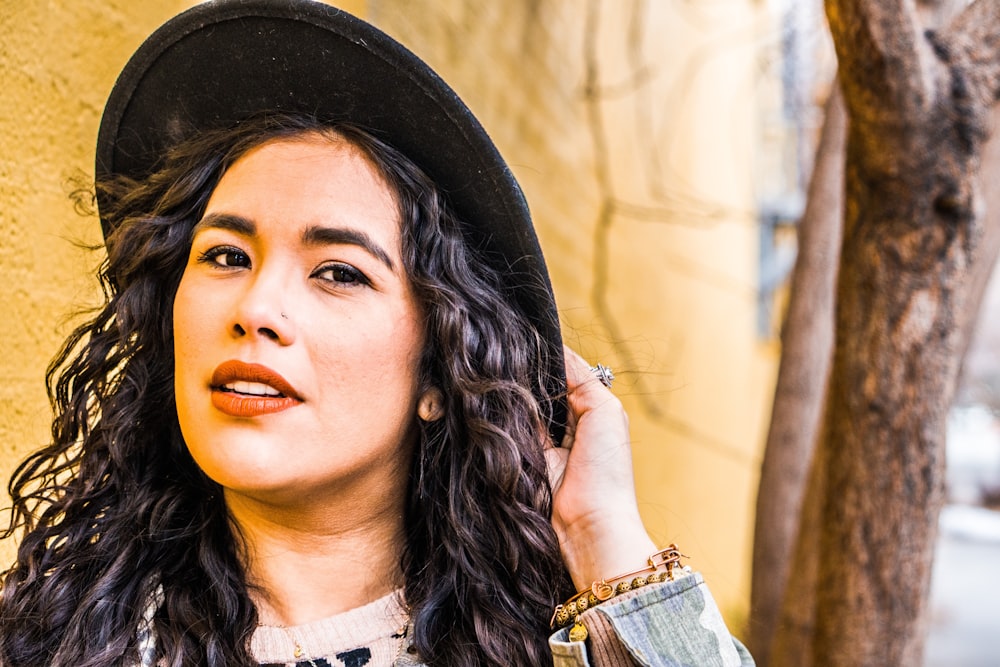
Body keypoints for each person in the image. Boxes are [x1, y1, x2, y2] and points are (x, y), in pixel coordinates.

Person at [0, 2, 754, 666]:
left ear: (438, 371)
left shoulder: (546, 647)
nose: (256, 306)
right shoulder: (50, 641)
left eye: (338, 272)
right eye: (226, 256)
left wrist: (604, 540)